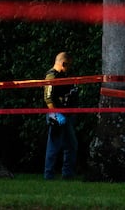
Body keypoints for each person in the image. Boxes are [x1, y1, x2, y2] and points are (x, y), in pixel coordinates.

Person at [43, 52, 78, 180]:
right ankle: (49, 175)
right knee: (54, 146)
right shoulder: (52, 76)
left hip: (66, 114)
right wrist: (55, 113)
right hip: (56, 114)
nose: (70, 68)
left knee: (71, 145)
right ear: (64, 63)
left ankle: (67, 175)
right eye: (69, 65)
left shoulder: (64, 76)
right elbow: (48, 98)